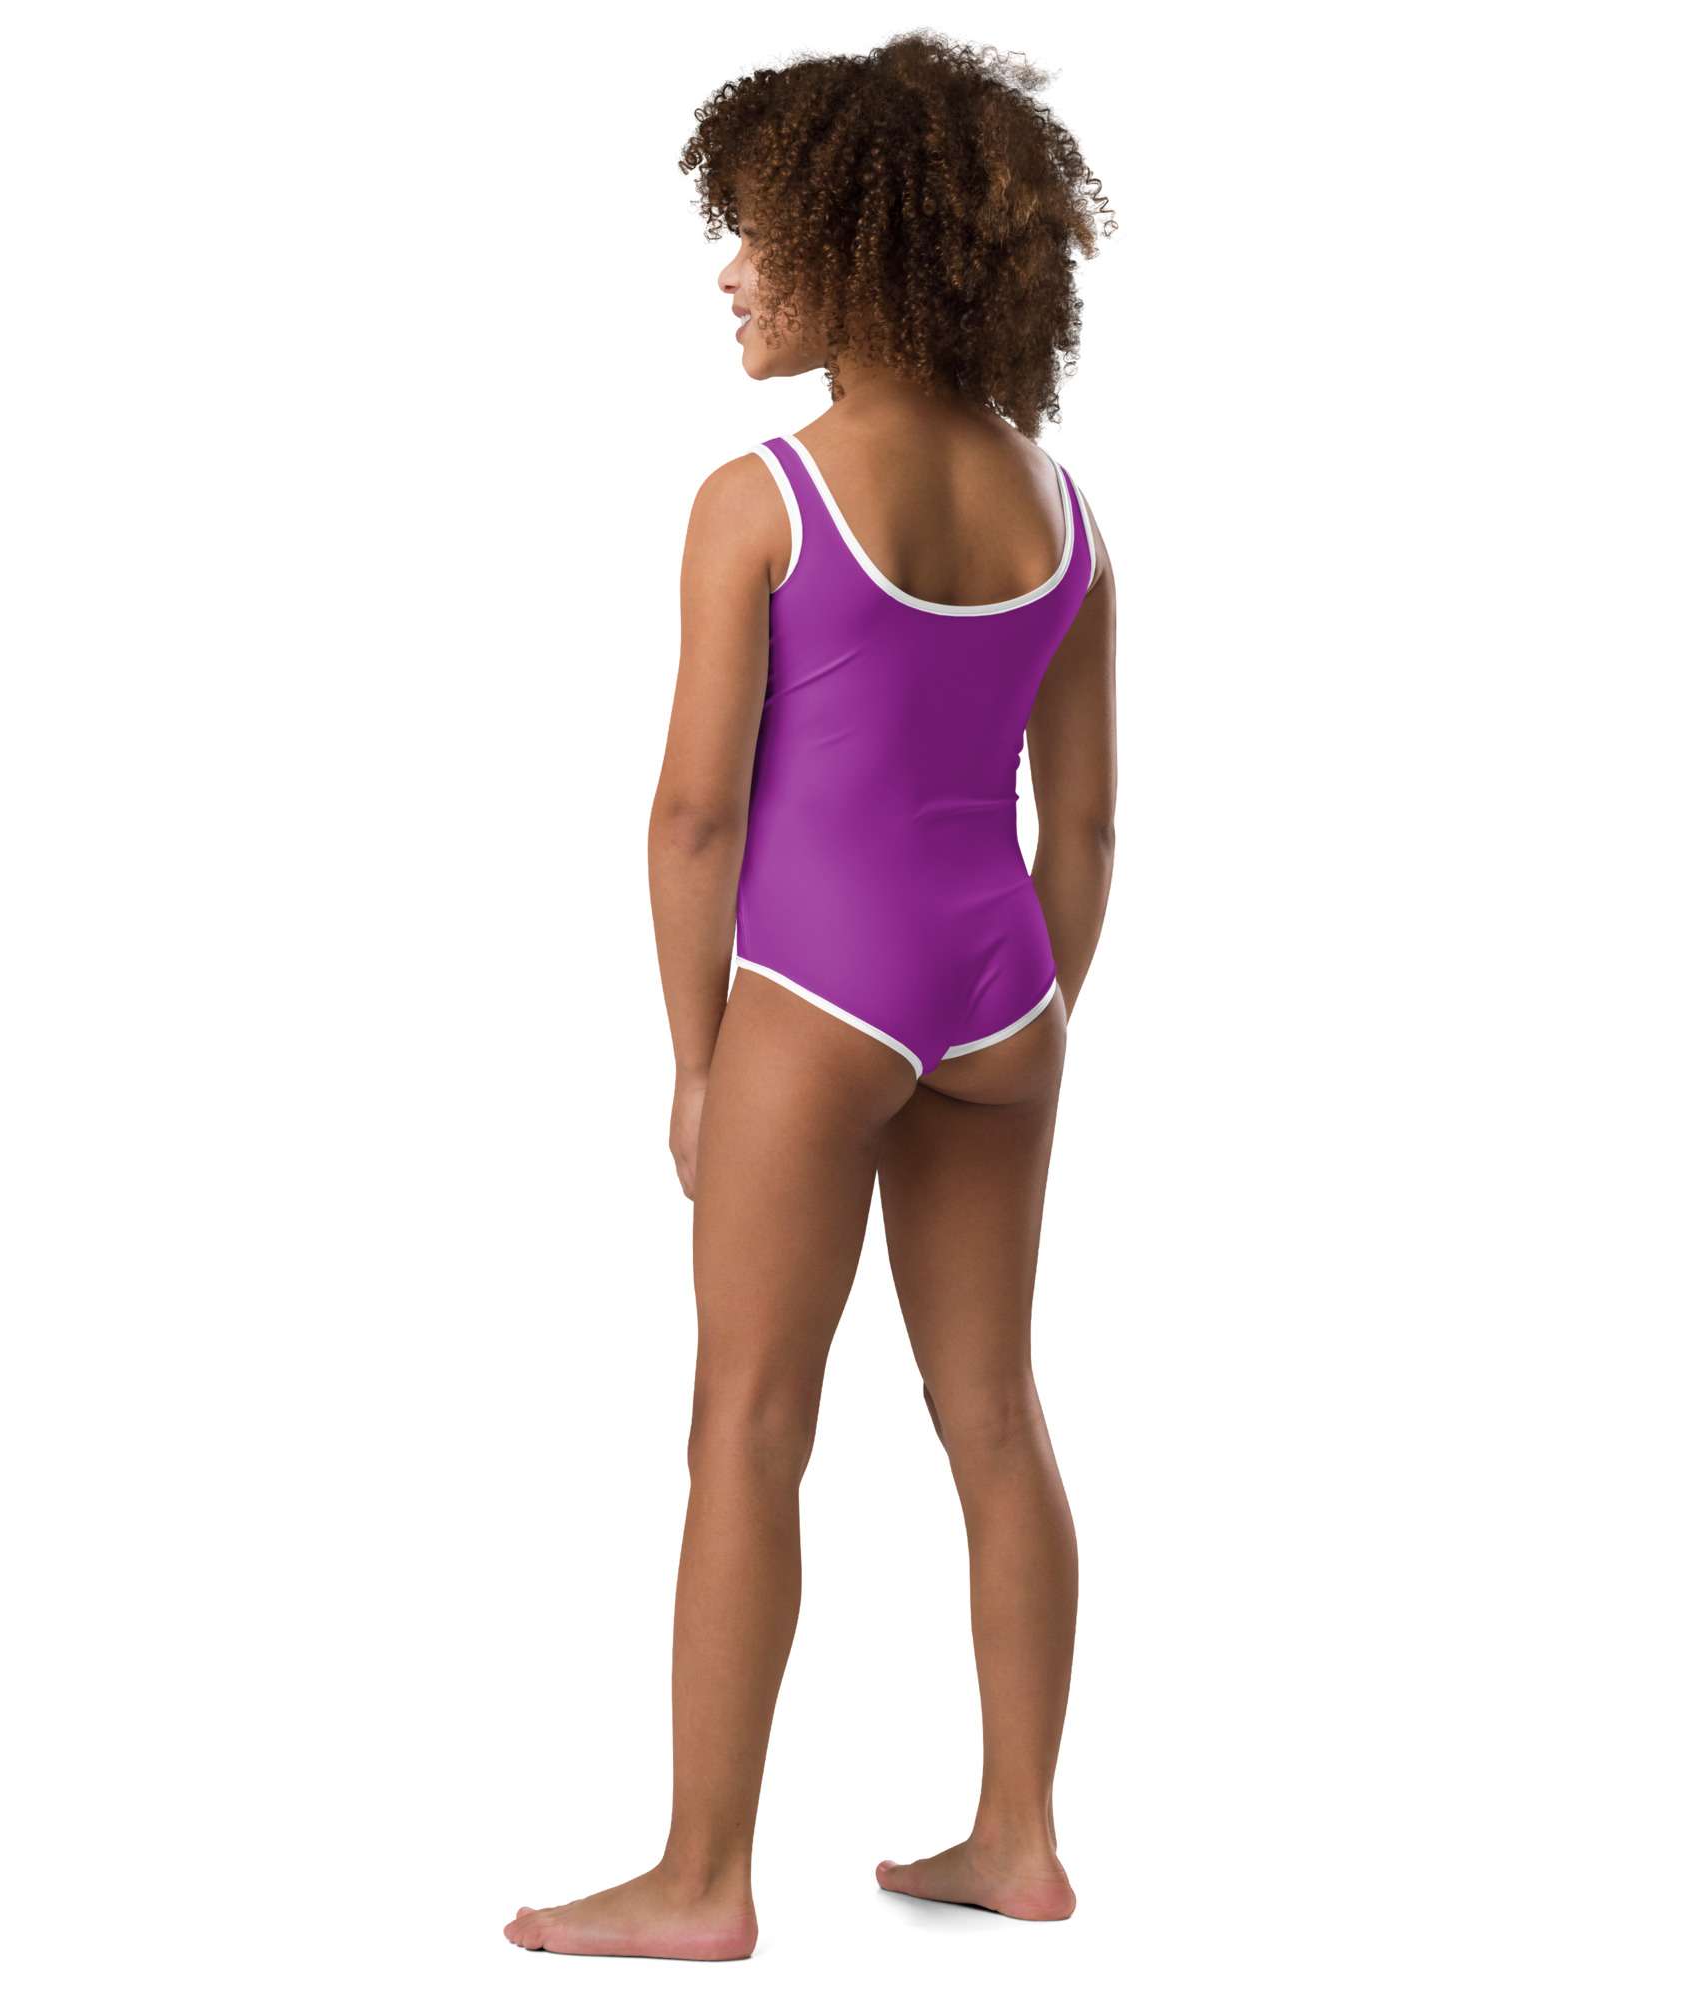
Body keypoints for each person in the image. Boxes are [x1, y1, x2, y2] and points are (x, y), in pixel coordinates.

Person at [508, 32, 1118, 1961]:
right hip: (1001, 999)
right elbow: (1086, 825)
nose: (732, 271)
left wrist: (701, 1062)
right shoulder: (1063, 513)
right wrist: (1029, 1020)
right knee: (994, 1411)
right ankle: (1019, 1838)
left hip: (815, 991)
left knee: (748, 1425)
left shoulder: (759, 499)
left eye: (761, 235)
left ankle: (702, 1881)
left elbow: (695, 817)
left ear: (863, 251)